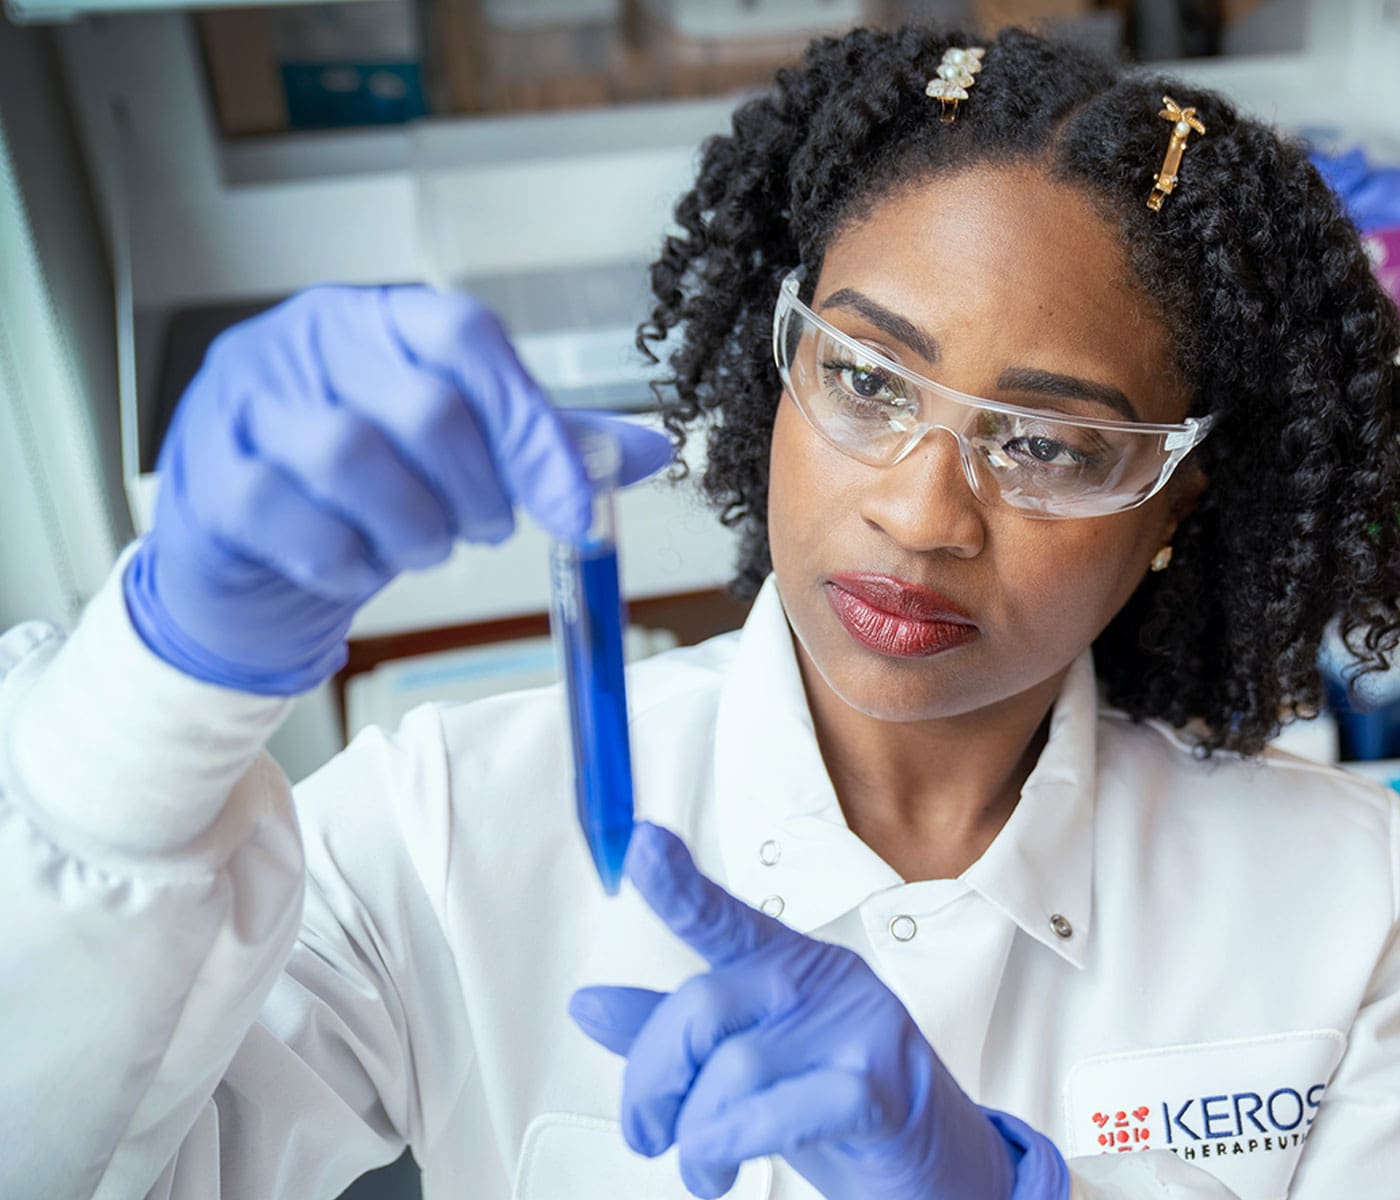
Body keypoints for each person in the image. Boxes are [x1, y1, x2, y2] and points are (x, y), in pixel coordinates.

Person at [4, 21, 1400, 1200]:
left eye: (1044, 443)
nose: (923, 513)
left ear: (1175, 501)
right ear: (780, 360)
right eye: (867, 378)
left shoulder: (1355, 906)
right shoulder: (445, 829)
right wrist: (158, 691)